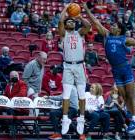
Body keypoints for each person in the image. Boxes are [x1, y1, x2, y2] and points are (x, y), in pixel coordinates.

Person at [83, 2, 135, 134]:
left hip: (125, 68)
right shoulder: (107, 34)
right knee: (124, 96)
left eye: (114, 25)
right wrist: (86, 10)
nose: (111, 26)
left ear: (118, 29)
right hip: (115, 70)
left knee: (131, 95)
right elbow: (96, 22)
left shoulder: (124, 39)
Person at [58, 4, 91, 138]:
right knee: (66, 94)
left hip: (79, 66)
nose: (71, 22)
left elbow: (88, 26)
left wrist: (78, 16)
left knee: (82, 94)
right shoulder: (63, 34)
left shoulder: (80, 33)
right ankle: (65, 119)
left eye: (73, 21)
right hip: (67, 66)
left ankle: (81, 119)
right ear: (66, 25)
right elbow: (60, 21)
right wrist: (66, 8)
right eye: (69, 21)